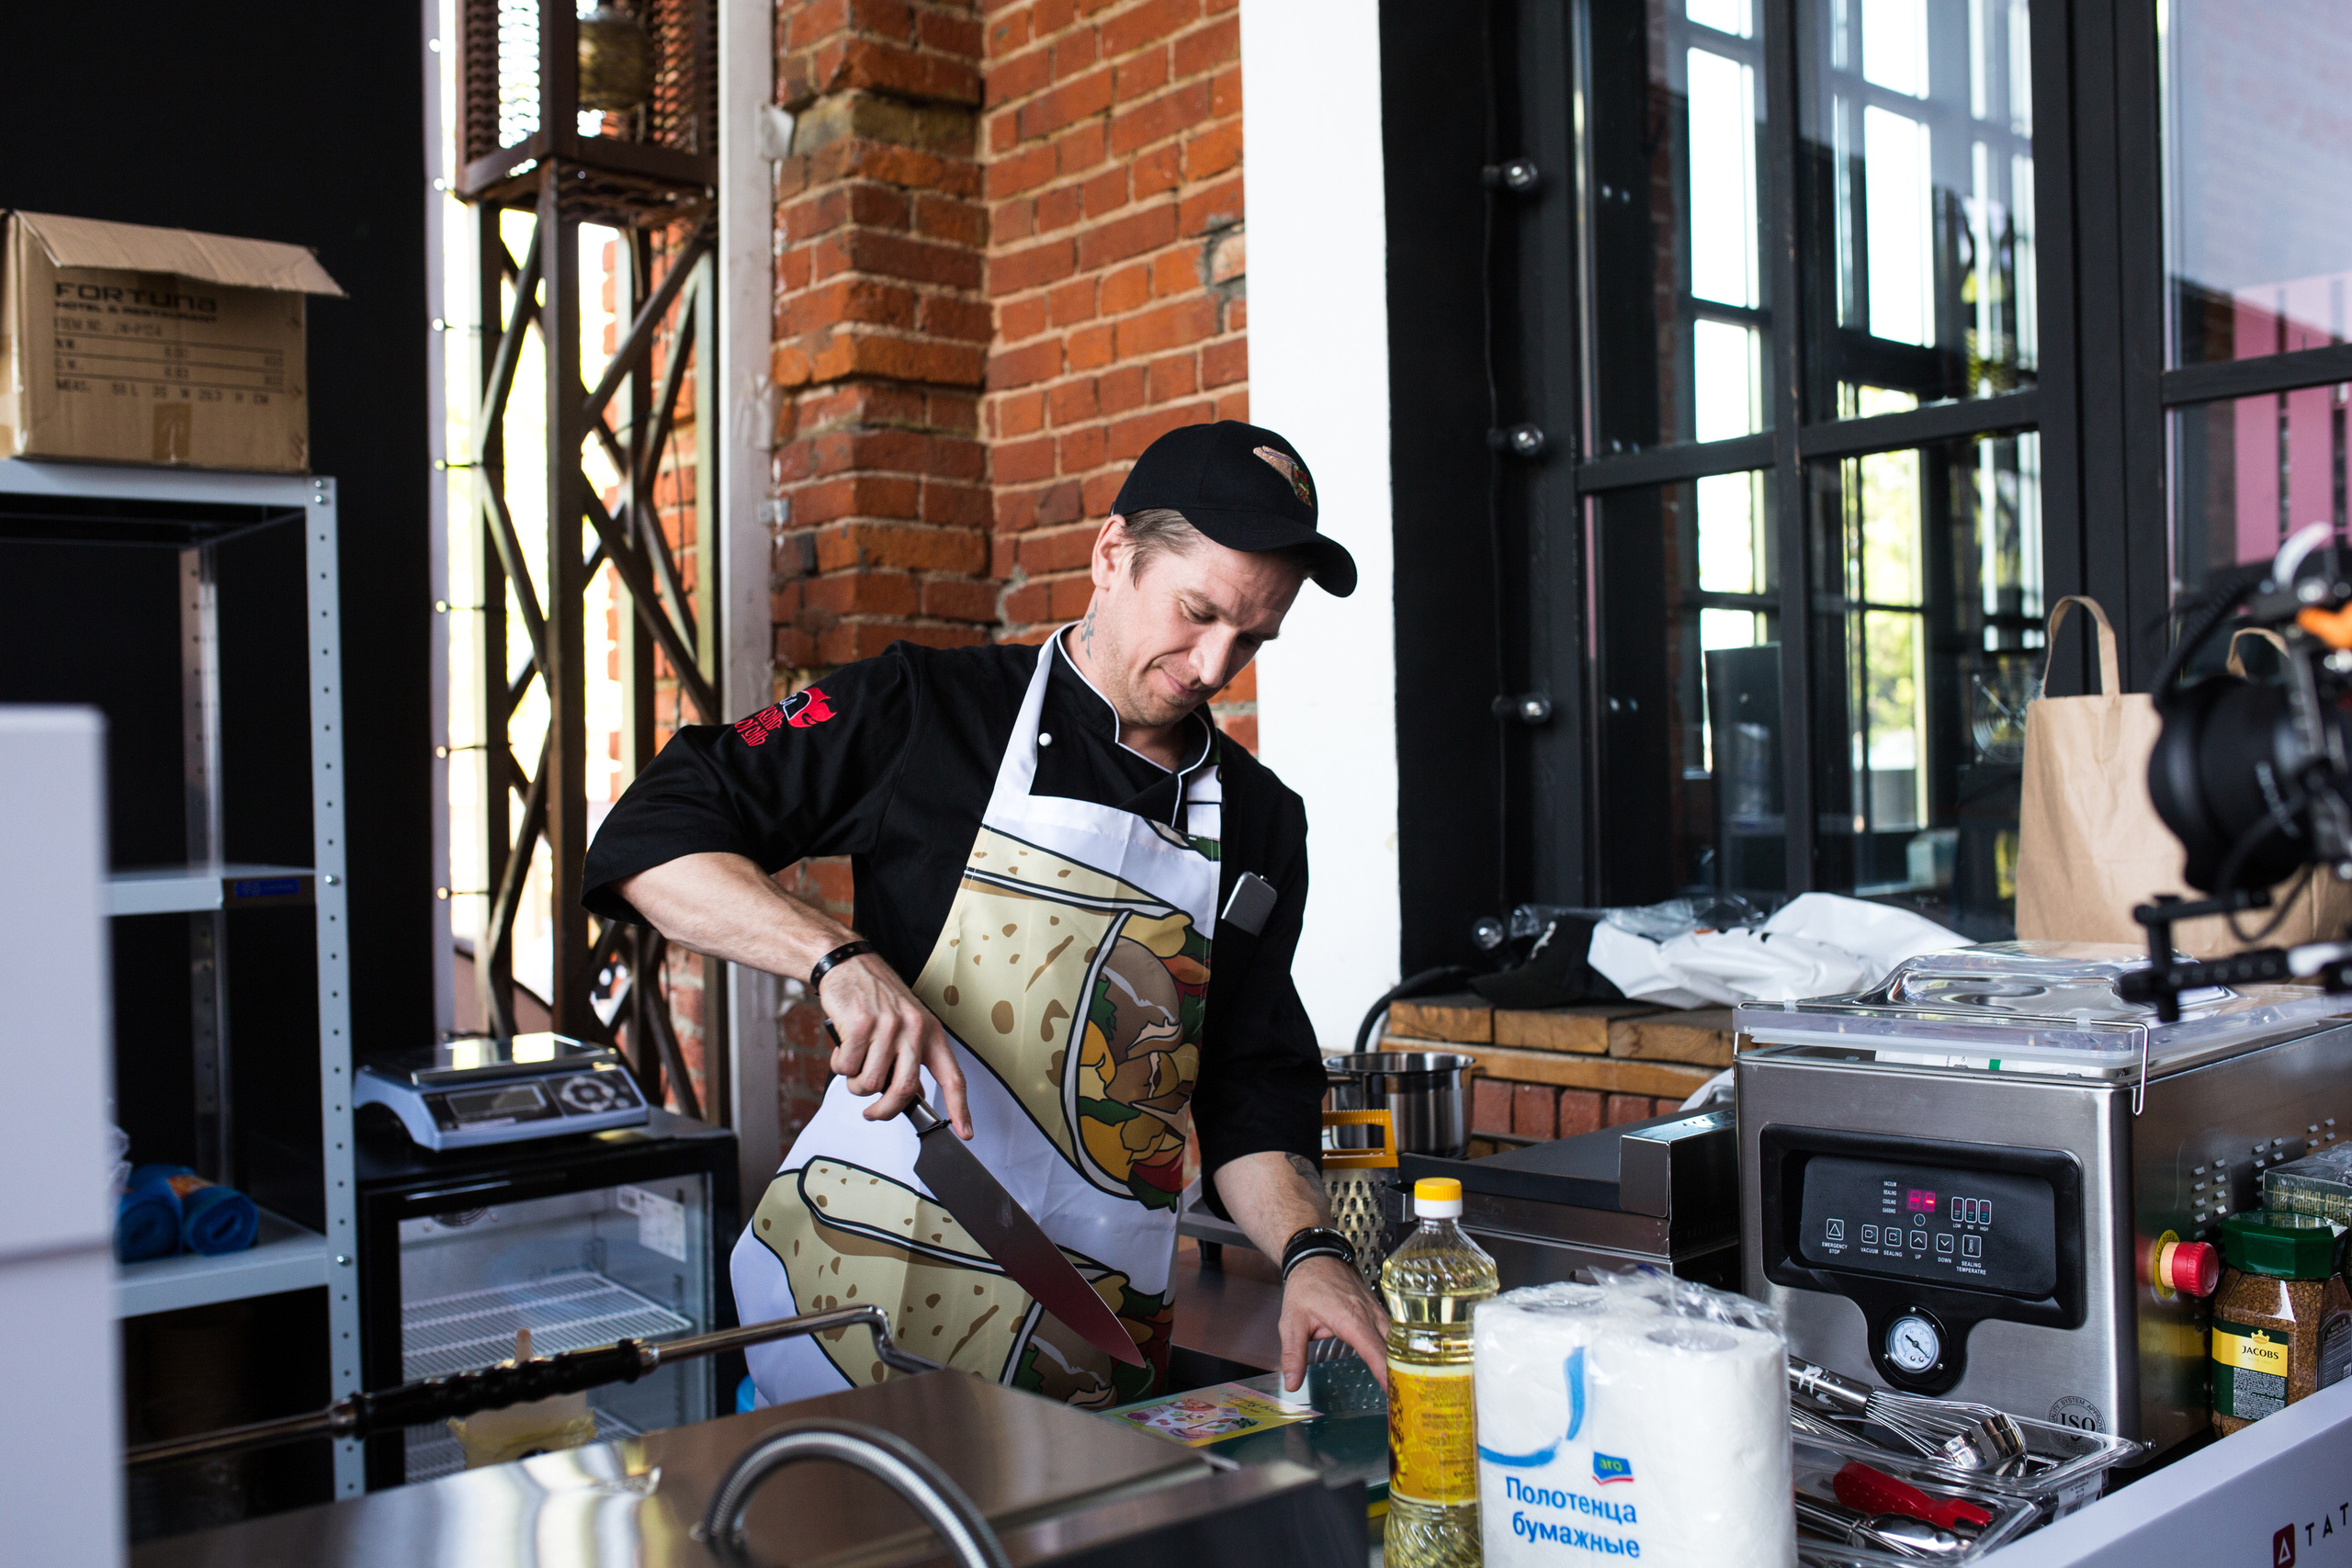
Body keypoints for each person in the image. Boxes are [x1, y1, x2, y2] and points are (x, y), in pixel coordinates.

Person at [582, 420, 1390, 1411]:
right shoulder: (921, 710)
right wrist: (836, 958)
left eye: (1252, 638)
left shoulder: (1262, 822)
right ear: (1110, 553)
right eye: (1196, 613)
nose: (1215, 664)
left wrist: (1312, 1252)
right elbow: (648, 833)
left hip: (1092, 1339)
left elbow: (1245, 1087)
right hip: (853, 1302)